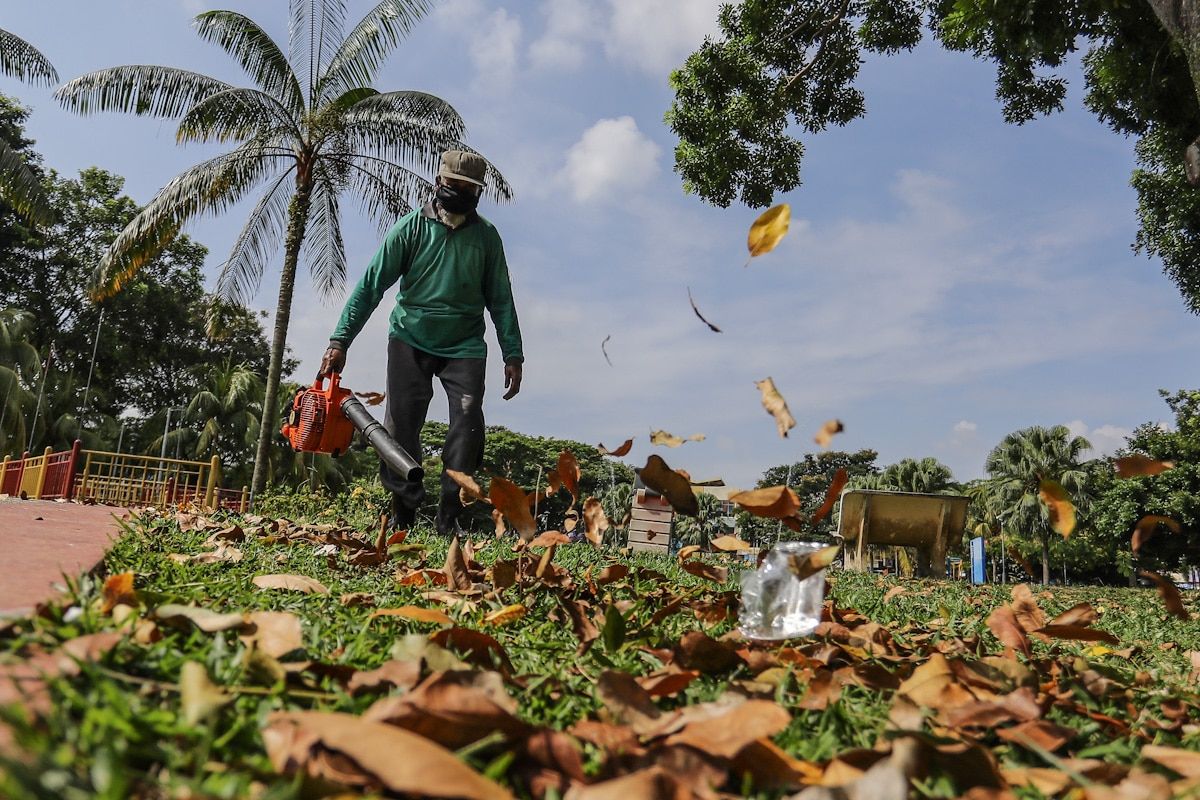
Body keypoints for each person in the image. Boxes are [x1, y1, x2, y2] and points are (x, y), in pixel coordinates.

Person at [318, 150, 524, 534]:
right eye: (453, 185)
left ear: (478, 193)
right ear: (438, 182)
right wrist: (339, 341)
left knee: (467, 424)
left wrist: (513, 352)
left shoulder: (487, 239)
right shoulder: (410, 229)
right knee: (400, 427)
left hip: (464, 346)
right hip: (409, 339)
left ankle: (449, 515)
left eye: (468, 189)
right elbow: (370, 287)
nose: (459, 192)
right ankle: (405, 512)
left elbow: (501, 297)